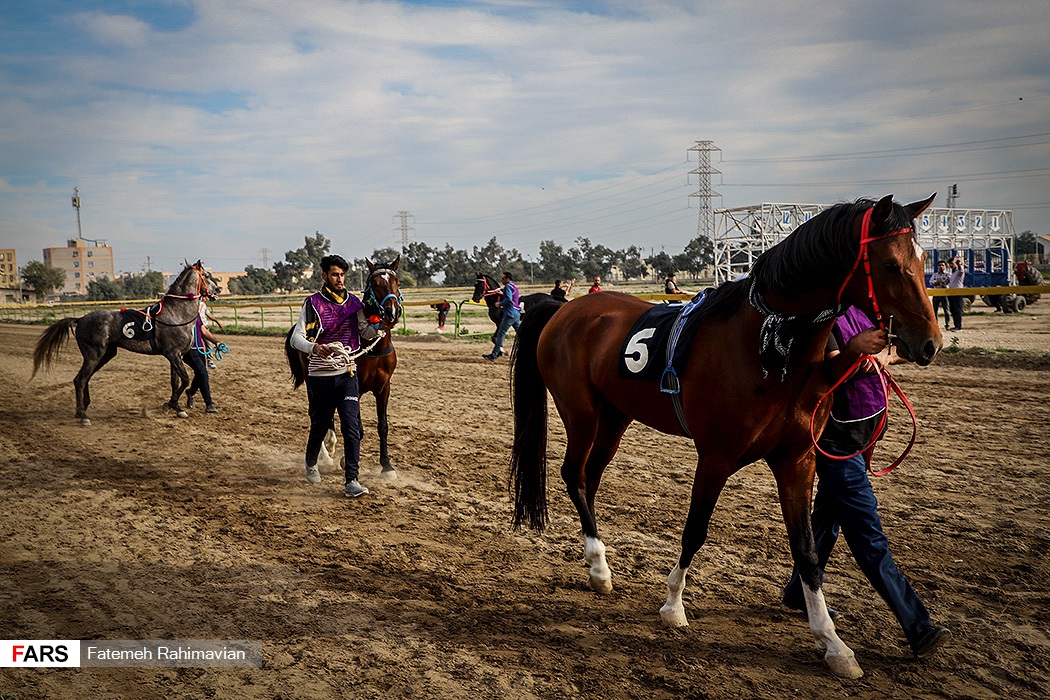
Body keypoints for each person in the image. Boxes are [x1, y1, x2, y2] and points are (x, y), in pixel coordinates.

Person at [781, 306, 950, 660]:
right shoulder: (820, 318)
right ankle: (918, 627)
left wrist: (885, 354)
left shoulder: (865, 309)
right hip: (836, 445)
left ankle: (799, 591)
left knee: (826, 520)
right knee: (868, 538)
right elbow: (827, 371)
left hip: (860, 438)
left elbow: (898, 350)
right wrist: (858, 350)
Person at [289, 254, 381, 497]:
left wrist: (382, 326)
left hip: (347, 374)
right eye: (334, 275)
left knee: (352, 427)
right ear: (324, 276)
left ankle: (352, 481)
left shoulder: (354, 304)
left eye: (342, 275)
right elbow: (295, 338)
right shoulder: (312, 304)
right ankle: (310, 461)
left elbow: (365, 332)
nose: (339, 279)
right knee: (319, 426)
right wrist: (314, 347)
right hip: (320, 376)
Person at [183, 312, 222, 414]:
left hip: (199, 347)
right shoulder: (181, 313)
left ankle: (190, 392)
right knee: (203, 373)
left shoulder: (196, 313)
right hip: (188, 349)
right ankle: (209, 404)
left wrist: (216, 342)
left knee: (200, 373)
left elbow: (203, 330)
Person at [482, 271, 520, 362]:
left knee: (500, 334)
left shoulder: (507, 287)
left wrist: (500, 304)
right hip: (516, 313)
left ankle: (494, 355)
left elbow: (509, 300)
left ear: (507, 279)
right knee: (521, 334)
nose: (501, 280)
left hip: (509, 314)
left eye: (503, 278)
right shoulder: (513, 286)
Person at [928, 260, 951, 331]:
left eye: (942, 265)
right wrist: (938, 282)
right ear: (937, 266)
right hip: (936, 294)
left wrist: (938, 283)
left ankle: (947, 324)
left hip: (944, 294)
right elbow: (931, 282)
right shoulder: (935, 274)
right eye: (940, 265)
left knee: (946, 310)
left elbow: (947, 282)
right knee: (935, 310)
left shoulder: (948, 274)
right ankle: (936, 324)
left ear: (945, 266)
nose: (941, 266)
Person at [947, 257, 965, 331]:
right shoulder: (952, 273)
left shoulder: (959, 271)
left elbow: (961, 270)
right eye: (950, 264)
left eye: (952, 263)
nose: (951, 265)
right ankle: (956, 325)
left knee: (957, 310)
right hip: (951, 293)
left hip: (957, 293)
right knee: (952, 310)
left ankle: (958, 326)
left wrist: (958, 264)